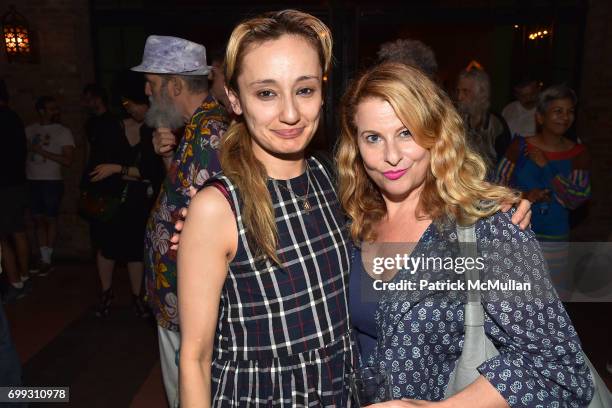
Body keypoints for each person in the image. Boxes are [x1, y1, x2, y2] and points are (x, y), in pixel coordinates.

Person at [338, 63, 593, 407]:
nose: (391, 156)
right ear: (355, 143)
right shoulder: (353, 218)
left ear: (435, 135)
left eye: (406, 133)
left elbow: (558, 369)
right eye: (373, 138)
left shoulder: (487, 226)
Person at [131, 35, 229, 407]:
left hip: (187, 298)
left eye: (152, 84)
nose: (146, 91)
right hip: (174, 295)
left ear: (174, 86)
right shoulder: (195, 129)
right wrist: (166, 156)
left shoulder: (211, 134)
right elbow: (183, 196)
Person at [495, 85, 590, 293]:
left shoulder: (578, 153)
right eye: (558, 111)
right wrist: (524, 196)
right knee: (515, 295)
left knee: (551, 298)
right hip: (518, 233)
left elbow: (576, 197)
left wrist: (547, 167)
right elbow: (497, 185)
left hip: (556, 240)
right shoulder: (519, 146)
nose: (565, 117)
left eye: (570, 111)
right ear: (540, 117)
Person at [87, 72, 165, 318]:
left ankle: (137, 297)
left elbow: (153, 172)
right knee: (107, 248)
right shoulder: (111, 128)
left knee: (135, 250)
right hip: (111, 200)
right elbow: (98, 169)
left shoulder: (154, 128)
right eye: (128, 105)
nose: (132, 109)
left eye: (136, 105)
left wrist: (118, 169)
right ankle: (106, 294)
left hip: (139, 201)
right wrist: (132, 173)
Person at [25, 96, 75, 275]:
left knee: (50, 219)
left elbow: (68, 160)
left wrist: (42, 151)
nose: (56, 111)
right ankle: (43, 258)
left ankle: (47, 259)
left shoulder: (63, 131)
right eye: (51, 108)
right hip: (32, 180)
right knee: (38, 219)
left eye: (56, 108)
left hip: (51, 181)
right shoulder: (29, 130)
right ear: (41, 111)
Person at [0, 79, 30, 303]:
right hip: (17, 183)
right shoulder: (15, 118)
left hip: (5, 185)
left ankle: (15, 282)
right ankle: (23, 277)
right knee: (17, 231)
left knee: (3, 236)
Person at [456, 64, 511, 174]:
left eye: (465, 91)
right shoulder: (457, 119)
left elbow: (506, 164)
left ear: (481, 94)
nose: (459, 97)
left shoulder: (496, 125)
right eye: (458, 91)